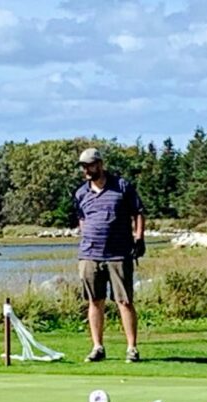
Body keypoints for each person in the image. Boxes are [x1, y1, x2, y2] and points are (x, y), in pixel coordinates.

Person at [74, 147, 146, 363]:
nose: (86, 170)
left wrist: (139, 238)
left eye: (89, 165)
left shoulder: (121, 186)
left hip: (118, 253)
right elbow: (82, 218)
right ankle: (97, 347)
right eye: (83, 166)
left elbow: (138, 213)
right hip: (89, 254)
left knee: (124, 301)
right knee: (95, 301)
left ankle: (131, 348)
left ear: (100, 164)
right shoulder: (81, 193)